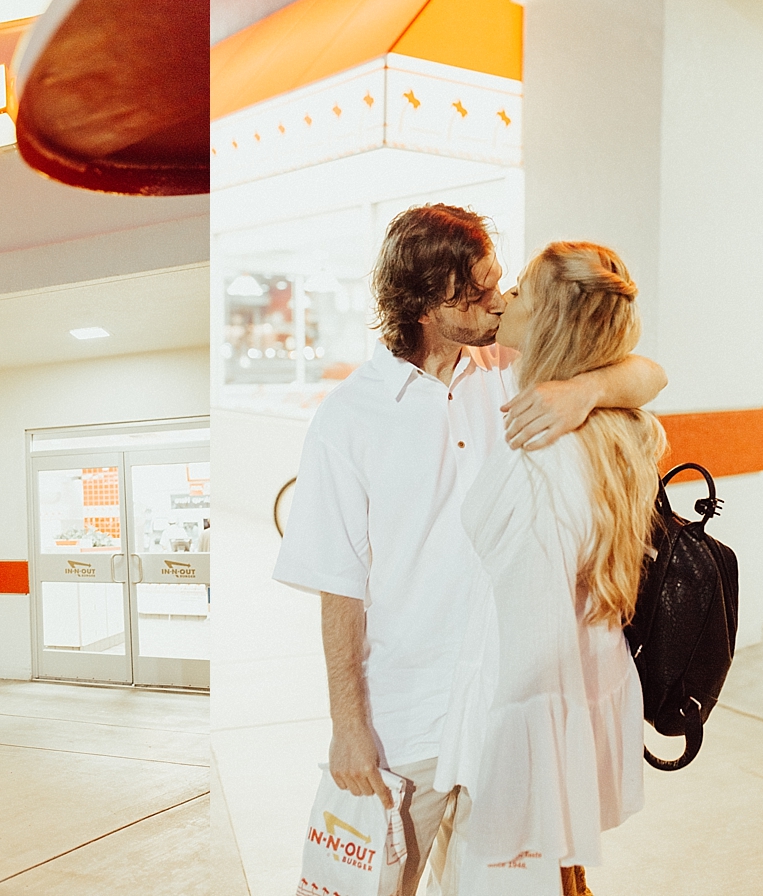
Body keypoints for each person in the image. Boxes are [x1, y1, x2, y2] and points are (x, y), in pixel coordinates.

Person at [273, 204, 667, 895]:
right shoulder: (347, 420)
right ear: (423, 302)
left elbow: (649, 373)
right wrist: (348, 727)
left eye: (496, 280)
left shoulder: (515, 369)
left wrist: (587, 388)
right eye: (475, 291)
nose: (498, 300)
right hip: (406, 722)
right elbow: (340, 588)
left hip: (505, 720)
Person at [434, 242, 664, 895]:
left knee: (510, 874)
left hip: (524, 712)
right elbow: (648, 373)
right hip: (576, 687)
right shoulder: (605, 422)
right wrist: (590, 386)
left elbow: (534, 653)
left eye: (521, 293)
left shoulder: (540, 445)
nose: (503, 299)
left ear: (553, 324)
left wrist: (503, 775)